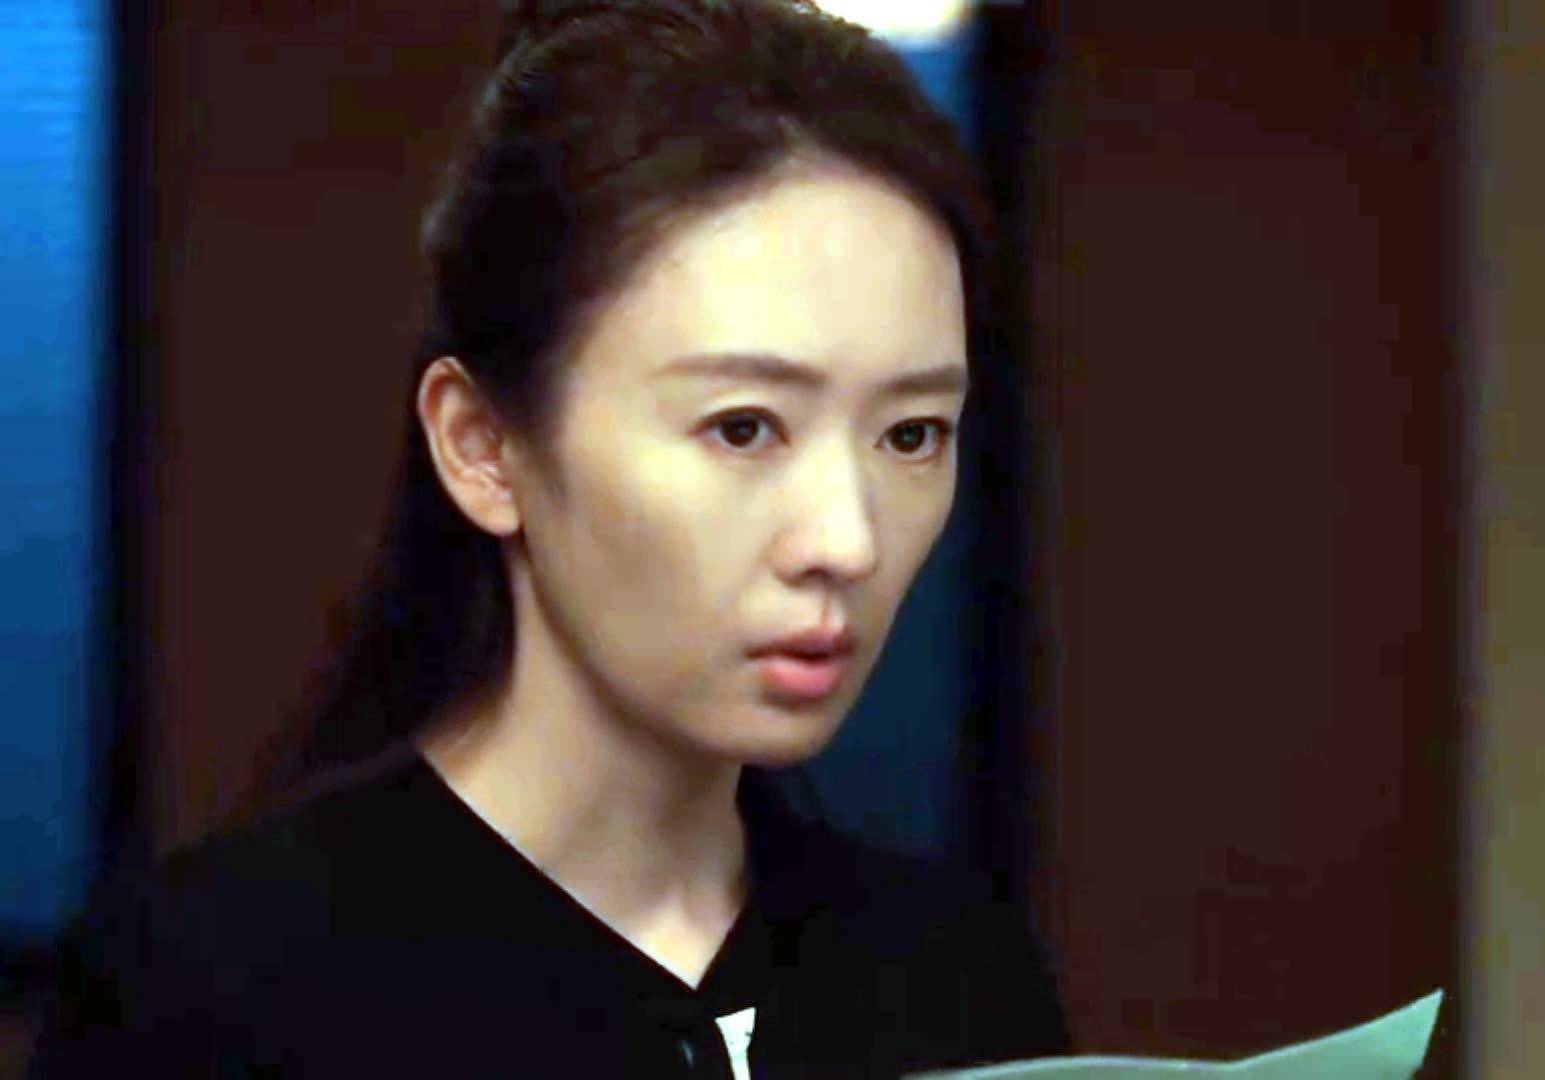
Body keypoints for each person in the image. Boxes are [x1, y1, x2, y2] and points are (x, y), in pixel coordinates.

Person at [26, 1, 1070, 1076]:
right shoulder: (212, 995)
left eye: (911, 434)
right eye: (743, 427)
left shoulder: (956, 984)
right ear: (482, 447)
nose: (847, 541)